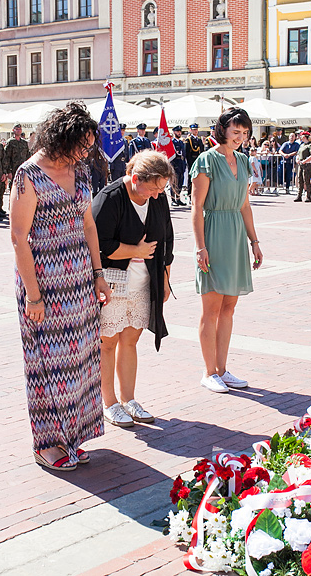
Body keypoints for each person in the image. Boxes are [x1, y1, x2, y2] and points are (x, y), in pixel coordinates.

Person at [10, 102, 112, 471]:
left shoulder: (80, 171)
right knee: (47, 364)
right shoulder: (28, 175)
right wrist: (33, 295)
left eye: (88, 146)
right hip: (44, 284)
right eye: (79, 145)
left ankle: (72, 436)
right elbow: (19, 238)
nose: (85, 153)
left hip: (80, 281)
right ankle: (47, 443)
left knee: (81, 362)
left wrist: (98, 273)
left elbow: (88, 225)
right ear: (59, 138)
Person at [92, 150, 174, 428]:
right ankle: (109, 402)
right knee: (108, 342)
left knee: (130, 339)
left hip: (143, 280)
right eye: (152, 187)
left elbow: (167, 240)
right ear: (135, 177)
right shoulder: (110, 198)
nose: (156, 194)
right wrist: (134, 250)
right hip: (113, 281)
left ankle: (129, 399)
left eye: (161, 188)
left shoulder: (159, 197)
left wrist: (164, 278)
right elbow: (98, 245)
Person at [191, 108, 264, 393]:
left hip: (235, 235)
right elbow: (196, 208)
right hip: (213, 233)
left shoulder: (244, 160)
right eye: (236, 132)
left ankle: (222, 369)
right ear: (223, 130)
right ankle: (209, 372)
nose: (240, 138)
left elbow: (245, 205)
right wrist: (200, 248)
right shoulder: (206, 161)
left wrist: (254, 242)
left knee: (229, 307)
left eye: (245, 134)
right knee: (211, 308)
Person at [169, 126, 187, 206]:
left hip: (181, 164)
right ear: (174, 132)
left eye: (180, 132)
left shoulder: (181, 142)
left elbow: (183, 154)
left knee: (180, 182)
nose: (179, 133)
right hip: (175, 164)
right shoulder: (172, 142)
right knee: (174, 183)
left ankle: (178, 198)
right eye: (177, 132)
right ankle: (173, 199)